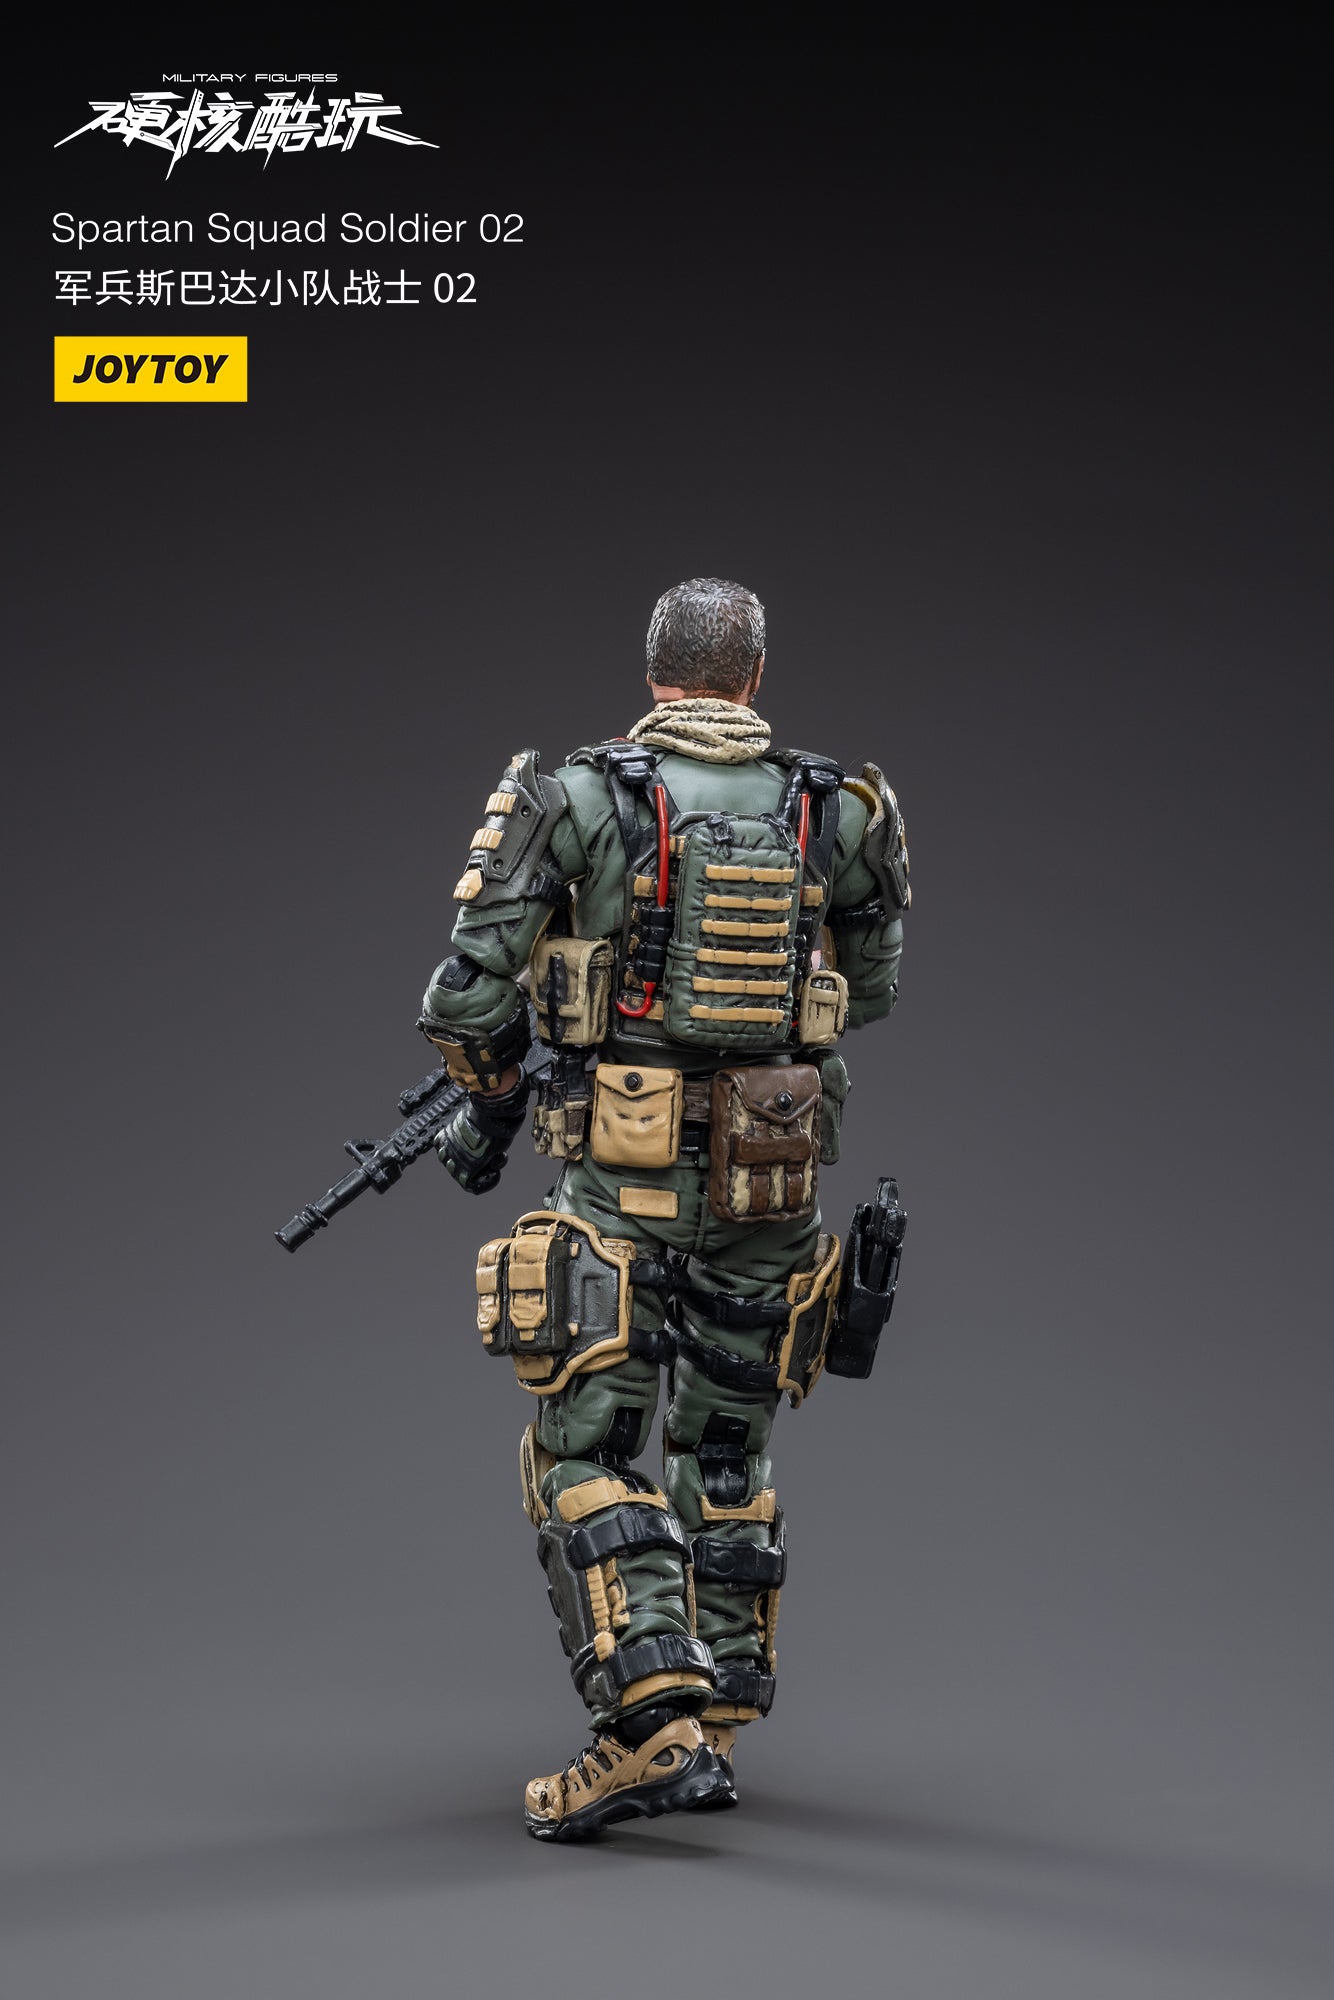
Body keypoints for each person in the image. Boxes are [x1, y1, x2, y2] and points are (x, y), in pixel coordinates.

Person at [418, 578, 909, 1840]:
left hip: (621, 1189)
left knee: (579, 1450)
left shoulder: (579, 797)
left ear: (654, 674)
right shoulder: (839, 808)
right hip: (770, 1184)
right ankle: (722, 1707)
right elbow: (867, 991)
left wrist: (496, 1092)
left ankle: (648, 1725)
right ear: (754, 676)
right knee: (727, 1448)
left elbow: (465, 1000)